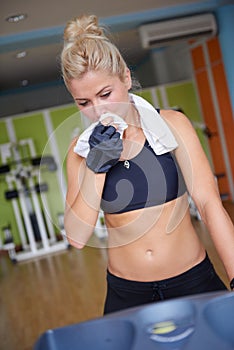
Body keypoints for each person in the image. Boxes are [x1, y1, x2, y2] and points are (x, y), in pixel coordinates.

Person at [61, 14, 234, 314]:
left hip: (193, 280)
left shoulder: (172, 124)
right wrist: (97, 167)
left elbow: (208, 204)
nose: (98, 110)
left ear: (126, 78)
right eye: (83, 102)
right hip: (127, 292)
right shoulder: (80, 152)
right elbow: (76, 236)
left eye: (105, 94)